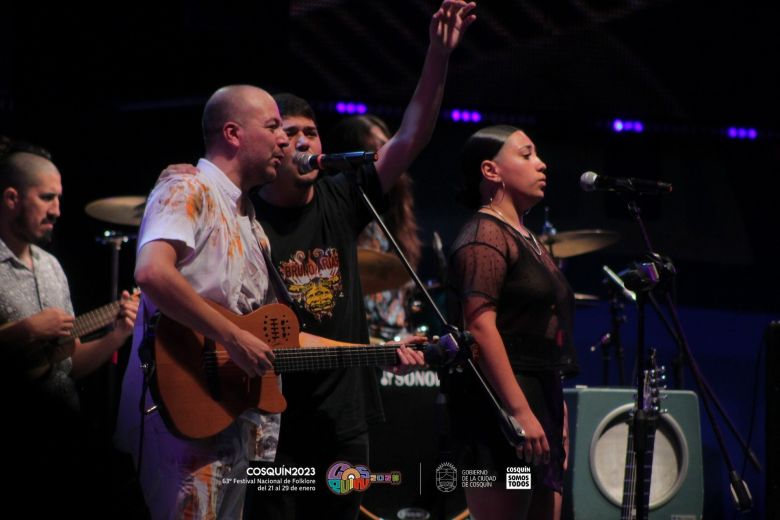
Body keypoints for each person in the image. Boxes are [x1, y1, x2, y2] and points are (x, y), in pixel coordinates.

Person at [247, 3, 475, 518]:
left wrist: (438, 55)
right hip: (272, 420)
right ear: (271, 146)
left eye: (312, 131)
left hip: (344, 418)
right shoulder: (244, 218)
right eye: (291, 133)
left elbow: (411, 137)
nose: (304, 141)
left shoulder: (341, 195)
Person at [113, 85, 289, 519]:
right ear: (233, 132)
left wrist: (378, 353)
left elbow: (265, 334)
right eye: (273, 126)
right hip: (179, 414)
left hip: (230, 417)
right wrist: (232, 337)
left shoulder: (251, 221)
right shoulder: (188, 185)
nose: (285, 139)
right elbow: (152, 272)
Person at [444, 125, 578, 520]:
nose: (541, 164)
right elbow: (481, 326)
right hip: (501, 415)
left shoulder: (525, 237)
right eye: (526, 154)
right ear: (491, 170)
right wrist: (519, 412)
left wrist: (555, 406)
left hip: (537, 403)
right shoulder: (483, 234)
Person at [0, 137, 138, 515]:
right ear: (12, 198)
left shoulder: (51, 266)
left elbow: (68, 363)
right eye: (47, 198)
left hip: (62, 446)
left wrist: (117, 335)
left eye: (59, 198)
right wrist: (26, 331)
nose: (58, 210)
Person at [327, 114, 422, 342]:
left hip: (398, 334)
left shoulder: (396, 212)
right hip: (359, 337)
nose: (386, 153)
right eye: (375, 148)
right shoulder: (340, 211)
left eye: (386, 144)